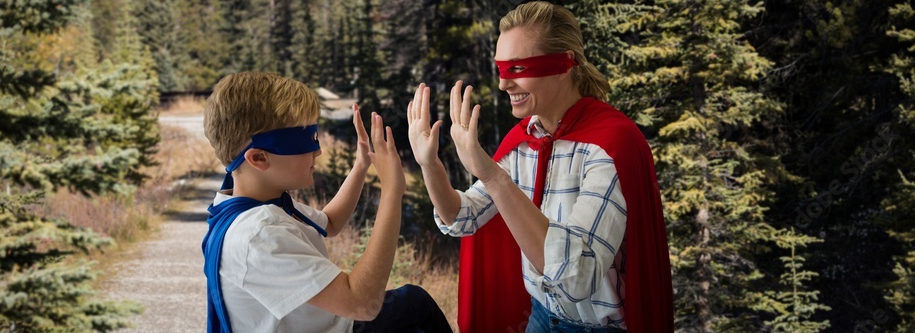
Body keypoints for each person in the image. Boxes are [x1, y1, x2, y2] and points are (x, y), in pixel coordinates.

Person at [406, 2, 673, 332]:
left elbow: (579, 276)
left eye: (518, 69)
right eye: (502, 69)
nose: (504, 84)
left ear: (564, 65)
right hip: (540, 318)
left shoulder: (610, 147)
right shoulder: (523, 141)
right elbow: (463, 217)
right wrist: (429, 164)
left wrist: (491, 175)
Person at [201, 72, 452, 333]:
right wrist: (392, 191)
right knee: (414, 307)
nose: (318, 150)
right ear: (259, 158)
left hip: (336, 322)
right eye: (304, 140)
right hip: (345, 320)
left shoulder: (252, 205)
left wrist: (361, 166)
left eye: (315, 136)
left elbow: (329, 223)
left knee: (413, 303)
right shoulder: (258, 233)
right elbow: (363, 305)